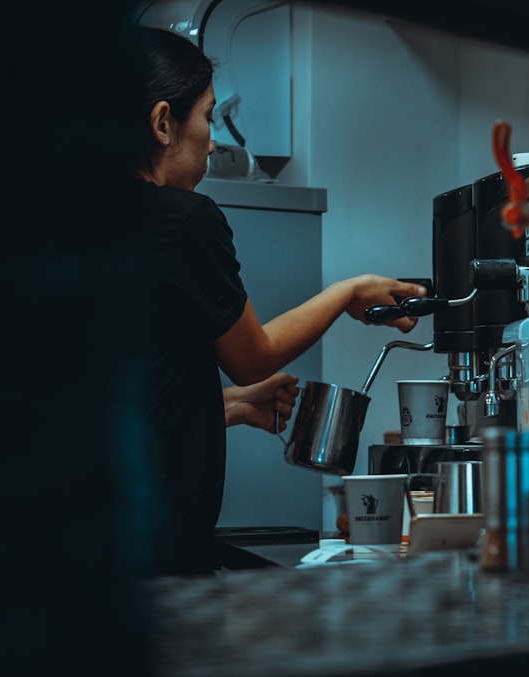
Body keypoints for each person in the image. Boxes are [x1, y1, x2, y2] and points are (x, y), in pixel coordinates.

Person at [115, 25, 426, 576]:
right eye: (208, 118)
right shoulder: (185, 220)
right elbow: (253, 355)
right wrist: (346, 292)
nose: (212, 142)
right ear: (164, 123)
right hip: (160, 540)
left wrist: (228, 406)